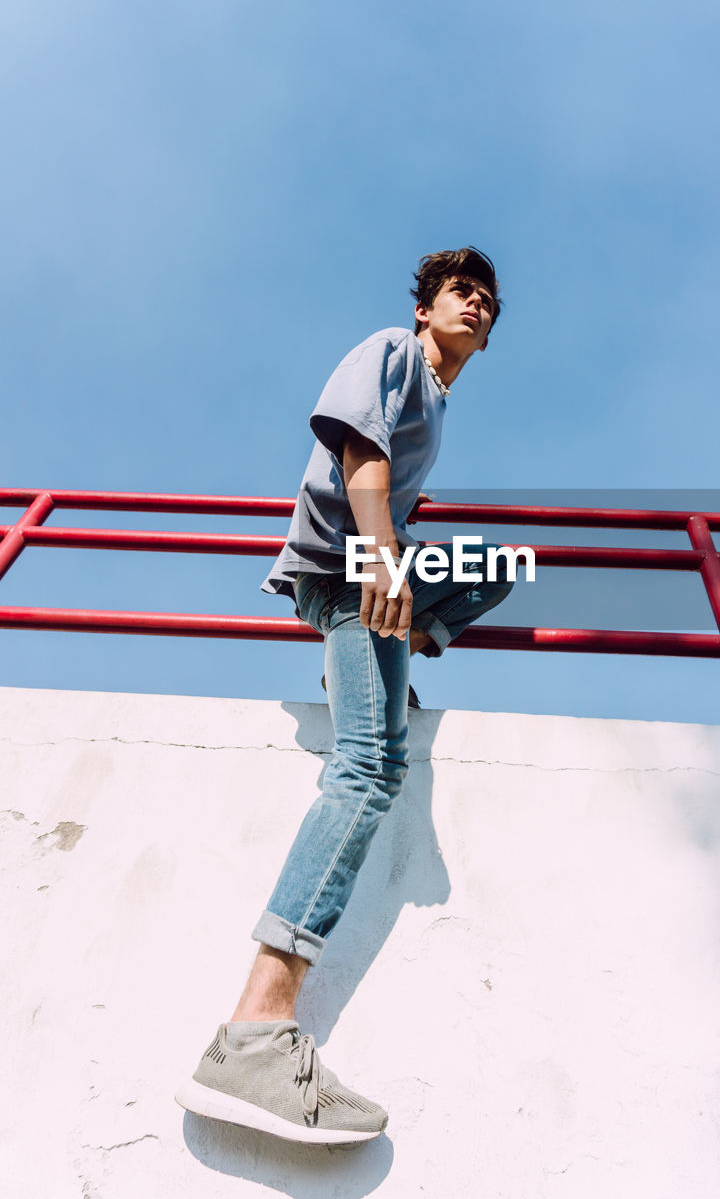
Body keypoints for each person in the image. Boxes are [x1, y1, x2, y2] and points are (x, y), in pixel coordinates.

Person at [176, 247, 514, 1144]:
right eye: (459, 292)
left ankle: (392, 641)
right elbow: (357, 444)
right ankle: (255, 1029)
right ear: (424, 311)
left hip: (379, 562)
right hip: (343, 566)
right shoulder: (392, 353)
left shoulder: (440, 399)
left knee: (501, 564)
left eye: (486, 299)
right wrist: (379, 552)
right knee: (366, 771)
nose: (475, 303)